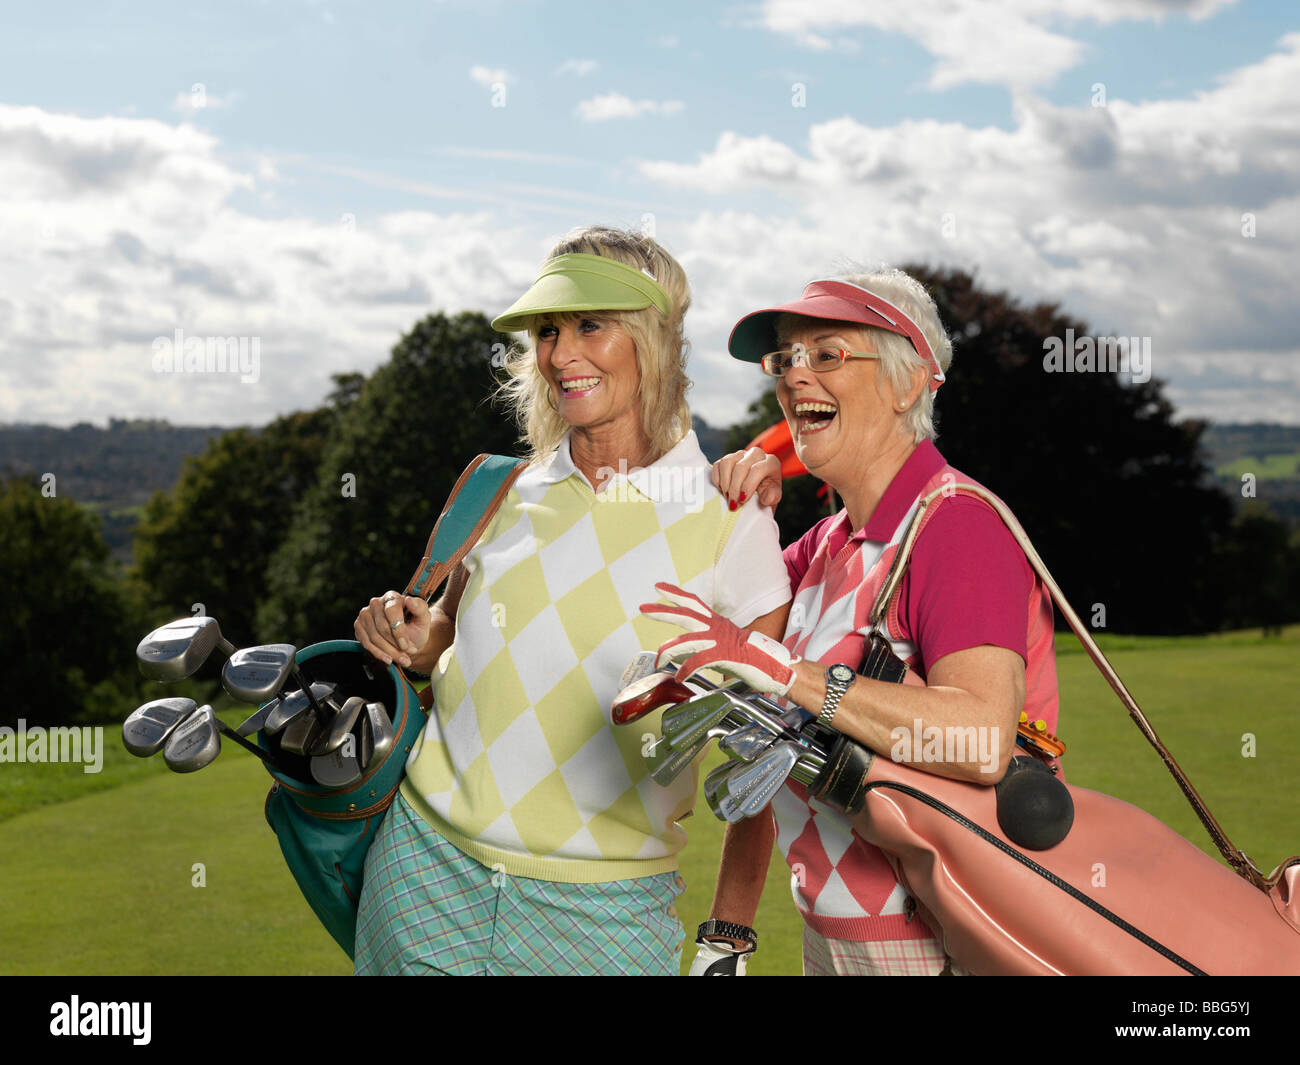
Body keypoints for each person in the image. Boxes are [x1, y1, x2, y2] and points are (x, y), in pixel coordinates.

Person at [350, 226, 791, 975]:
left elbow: (765, 750)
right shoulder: (499, 489)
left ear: (655, 339)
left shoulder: (730, 516)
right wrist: (415, 637)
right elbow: (449, 634)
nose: (560, 355)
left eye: (591, 325)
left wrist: (729, 935)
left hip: (602, 915)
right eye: (548, 331)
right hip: (423, 875)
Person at [646, 268, 1061, 976]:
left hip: (940, 941)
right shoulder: (822, 546)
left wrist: (790, 672)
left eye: (827, 353)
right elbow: (766, 732)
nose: (794, 374)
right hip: (835, 939)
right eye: (786, 358)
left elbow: (981, 739)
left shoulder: (956, 525)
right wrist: (739, 518)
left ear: (908, 384)